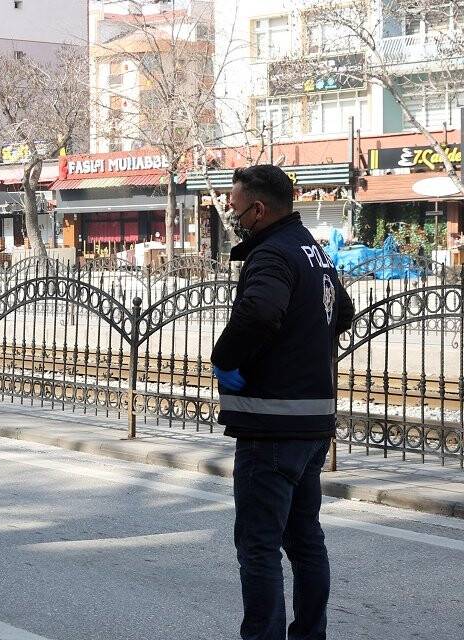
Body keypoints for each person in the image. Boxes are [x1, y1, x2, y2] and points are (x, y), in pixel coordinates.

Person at [212, 165, 354, 640]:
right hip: (313, 422)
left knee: (259, 546)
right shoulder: (310, 249)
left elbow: (258, 312)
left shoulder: (272, 253)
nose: (231, 212)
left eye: (235, 204)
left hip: (272, 425)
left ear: (259, 207)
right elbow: (345, 311)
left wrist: (224, 358)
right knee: (305, 540)